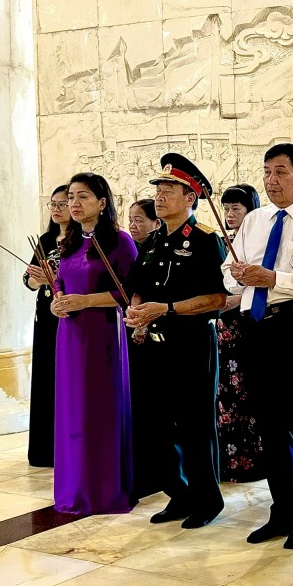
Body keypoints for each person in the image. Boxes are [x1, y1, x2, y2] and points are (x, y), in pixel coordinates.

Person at [222, 144, 293, 549]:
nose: (272, 180)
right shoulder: (254, 220)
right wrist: (239, 275)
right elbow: (228, 272)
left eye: (282, 172)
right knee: (268, 427)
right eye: (267, 172)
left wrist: (275, 279)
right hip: (256, 327)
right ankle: (282, 511)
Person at [124, 153, 228, 530]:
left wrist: (164, 308)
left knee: (194, 425)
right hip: (152, 346)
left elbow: (218, 299)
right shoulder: (153, 243)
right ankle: (178, 494)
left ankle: (206, 499)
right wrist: (136, 312)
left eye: (170, 190)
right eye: (159, 190)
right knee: (157, 425)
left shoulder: (204, 241)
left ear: (191, 198)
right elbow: (137, 287)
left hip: (191, 344)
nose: (161, 196)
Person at [50, 172, 137, 514]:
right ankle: (75, 486)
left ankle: (103, 489)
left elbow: (128, 292)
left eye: (82, 196)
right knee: (72, 410)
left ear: (102, 203)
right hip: (70, 336)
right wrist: (57, 300)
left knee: (98, 409)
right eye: (70, 196)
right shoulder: (69, 241)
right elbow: (59, 280)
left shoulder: (120, 240)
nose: (73, 203)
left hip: (103, 334)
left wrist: (85, 302)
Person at [216, 184, 265, 483]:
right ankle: (227, 461)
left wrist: (230, 301)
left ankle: (251, 462)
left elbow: (254, 285)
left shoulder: (256, 239)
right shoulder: (221, 240)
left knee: (247, 393)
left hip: (246, 323)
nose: (230, 214)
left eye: (237, 208)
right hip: (223, 328)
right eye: (227, 208)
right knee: (224, 394)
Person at [23, 184, 70, 468]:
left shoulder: (81, 240)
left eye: (62, 203)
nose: (56, 208)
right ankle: (43, 450)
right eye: (53, 204)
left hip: (70, 316)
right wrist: (39, 279)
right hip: (45, 317)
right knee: (44, 380)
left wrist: (56, 279)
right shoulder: (45, 239)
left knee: (67, 381)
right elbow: (27, 280)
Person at [126, 197, 164, 499]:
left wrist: (144, 323)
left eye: (140, 219)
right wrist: (136, 318)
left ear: (156, 222)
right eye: (131, 219)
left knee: (158, 412)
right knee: (140, 407)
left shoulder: (159, 244)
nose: (133, 225)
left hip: (161, 336)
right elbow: (137, 290)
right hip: (137, 335)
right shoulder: (145, 250)